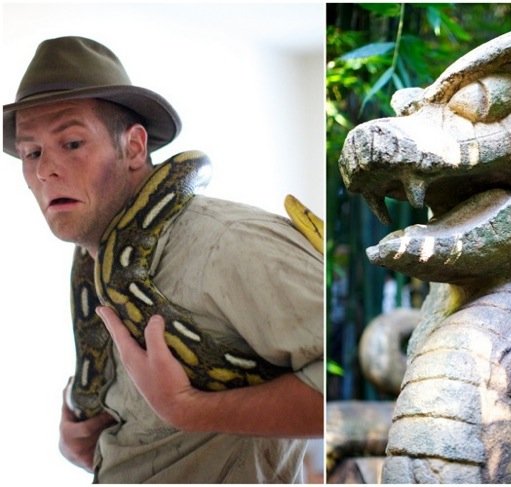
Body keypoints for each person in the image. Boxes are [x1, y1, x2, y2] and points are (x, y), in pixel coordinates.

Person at [3, 36, 323, 483]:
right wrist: (89, 439)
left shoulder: (231, 242)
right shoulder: (96, 258)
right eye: (31, 152)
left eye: (72, 143)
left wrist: (189, 410)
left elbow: (347, 392)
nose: (44, 170)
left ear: (134, 147)